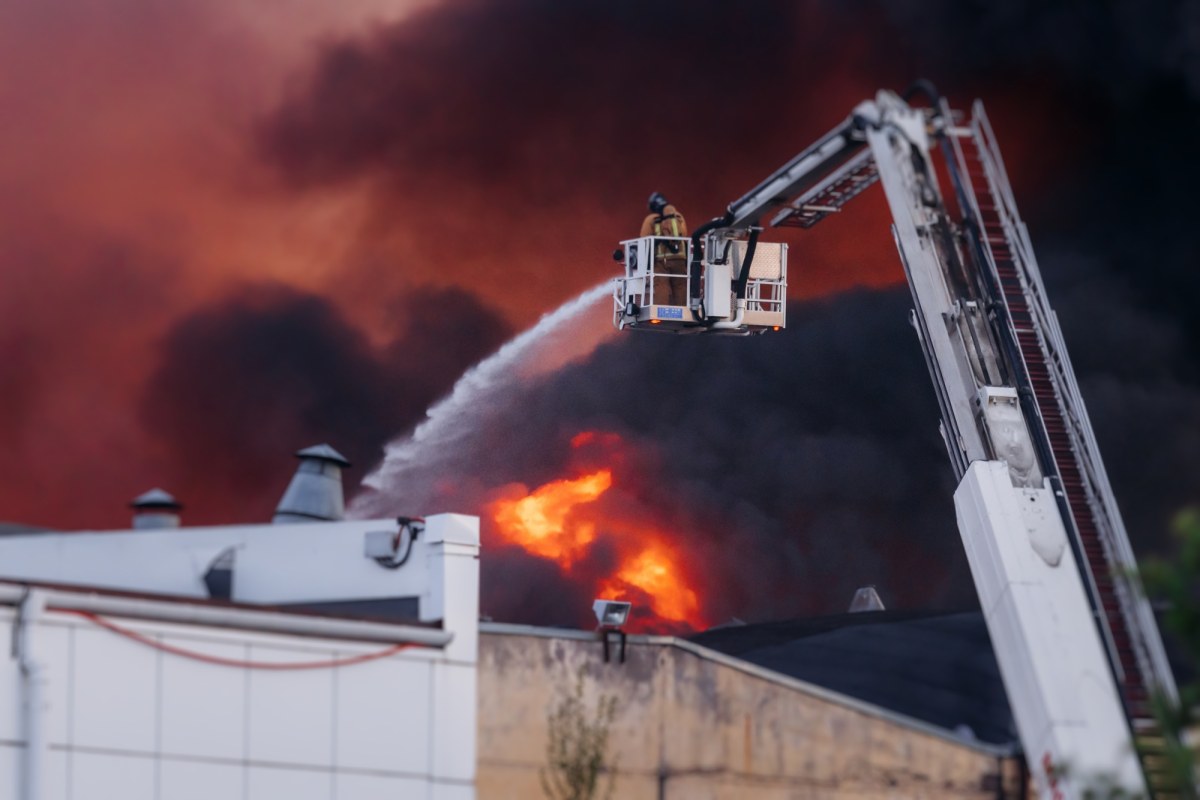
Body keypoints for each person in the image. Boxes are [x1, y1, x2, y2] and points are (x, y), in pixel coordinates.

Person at [640, 192, 689, 306]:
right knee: (680, 286)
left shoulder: (652, 219)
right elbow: (684, 234)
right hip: (680, 258)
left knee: (661, 285)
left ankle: (660, 310)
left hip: (662, 260)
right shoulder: (678, 216)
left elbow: (644, 238)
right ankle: (682, 310)